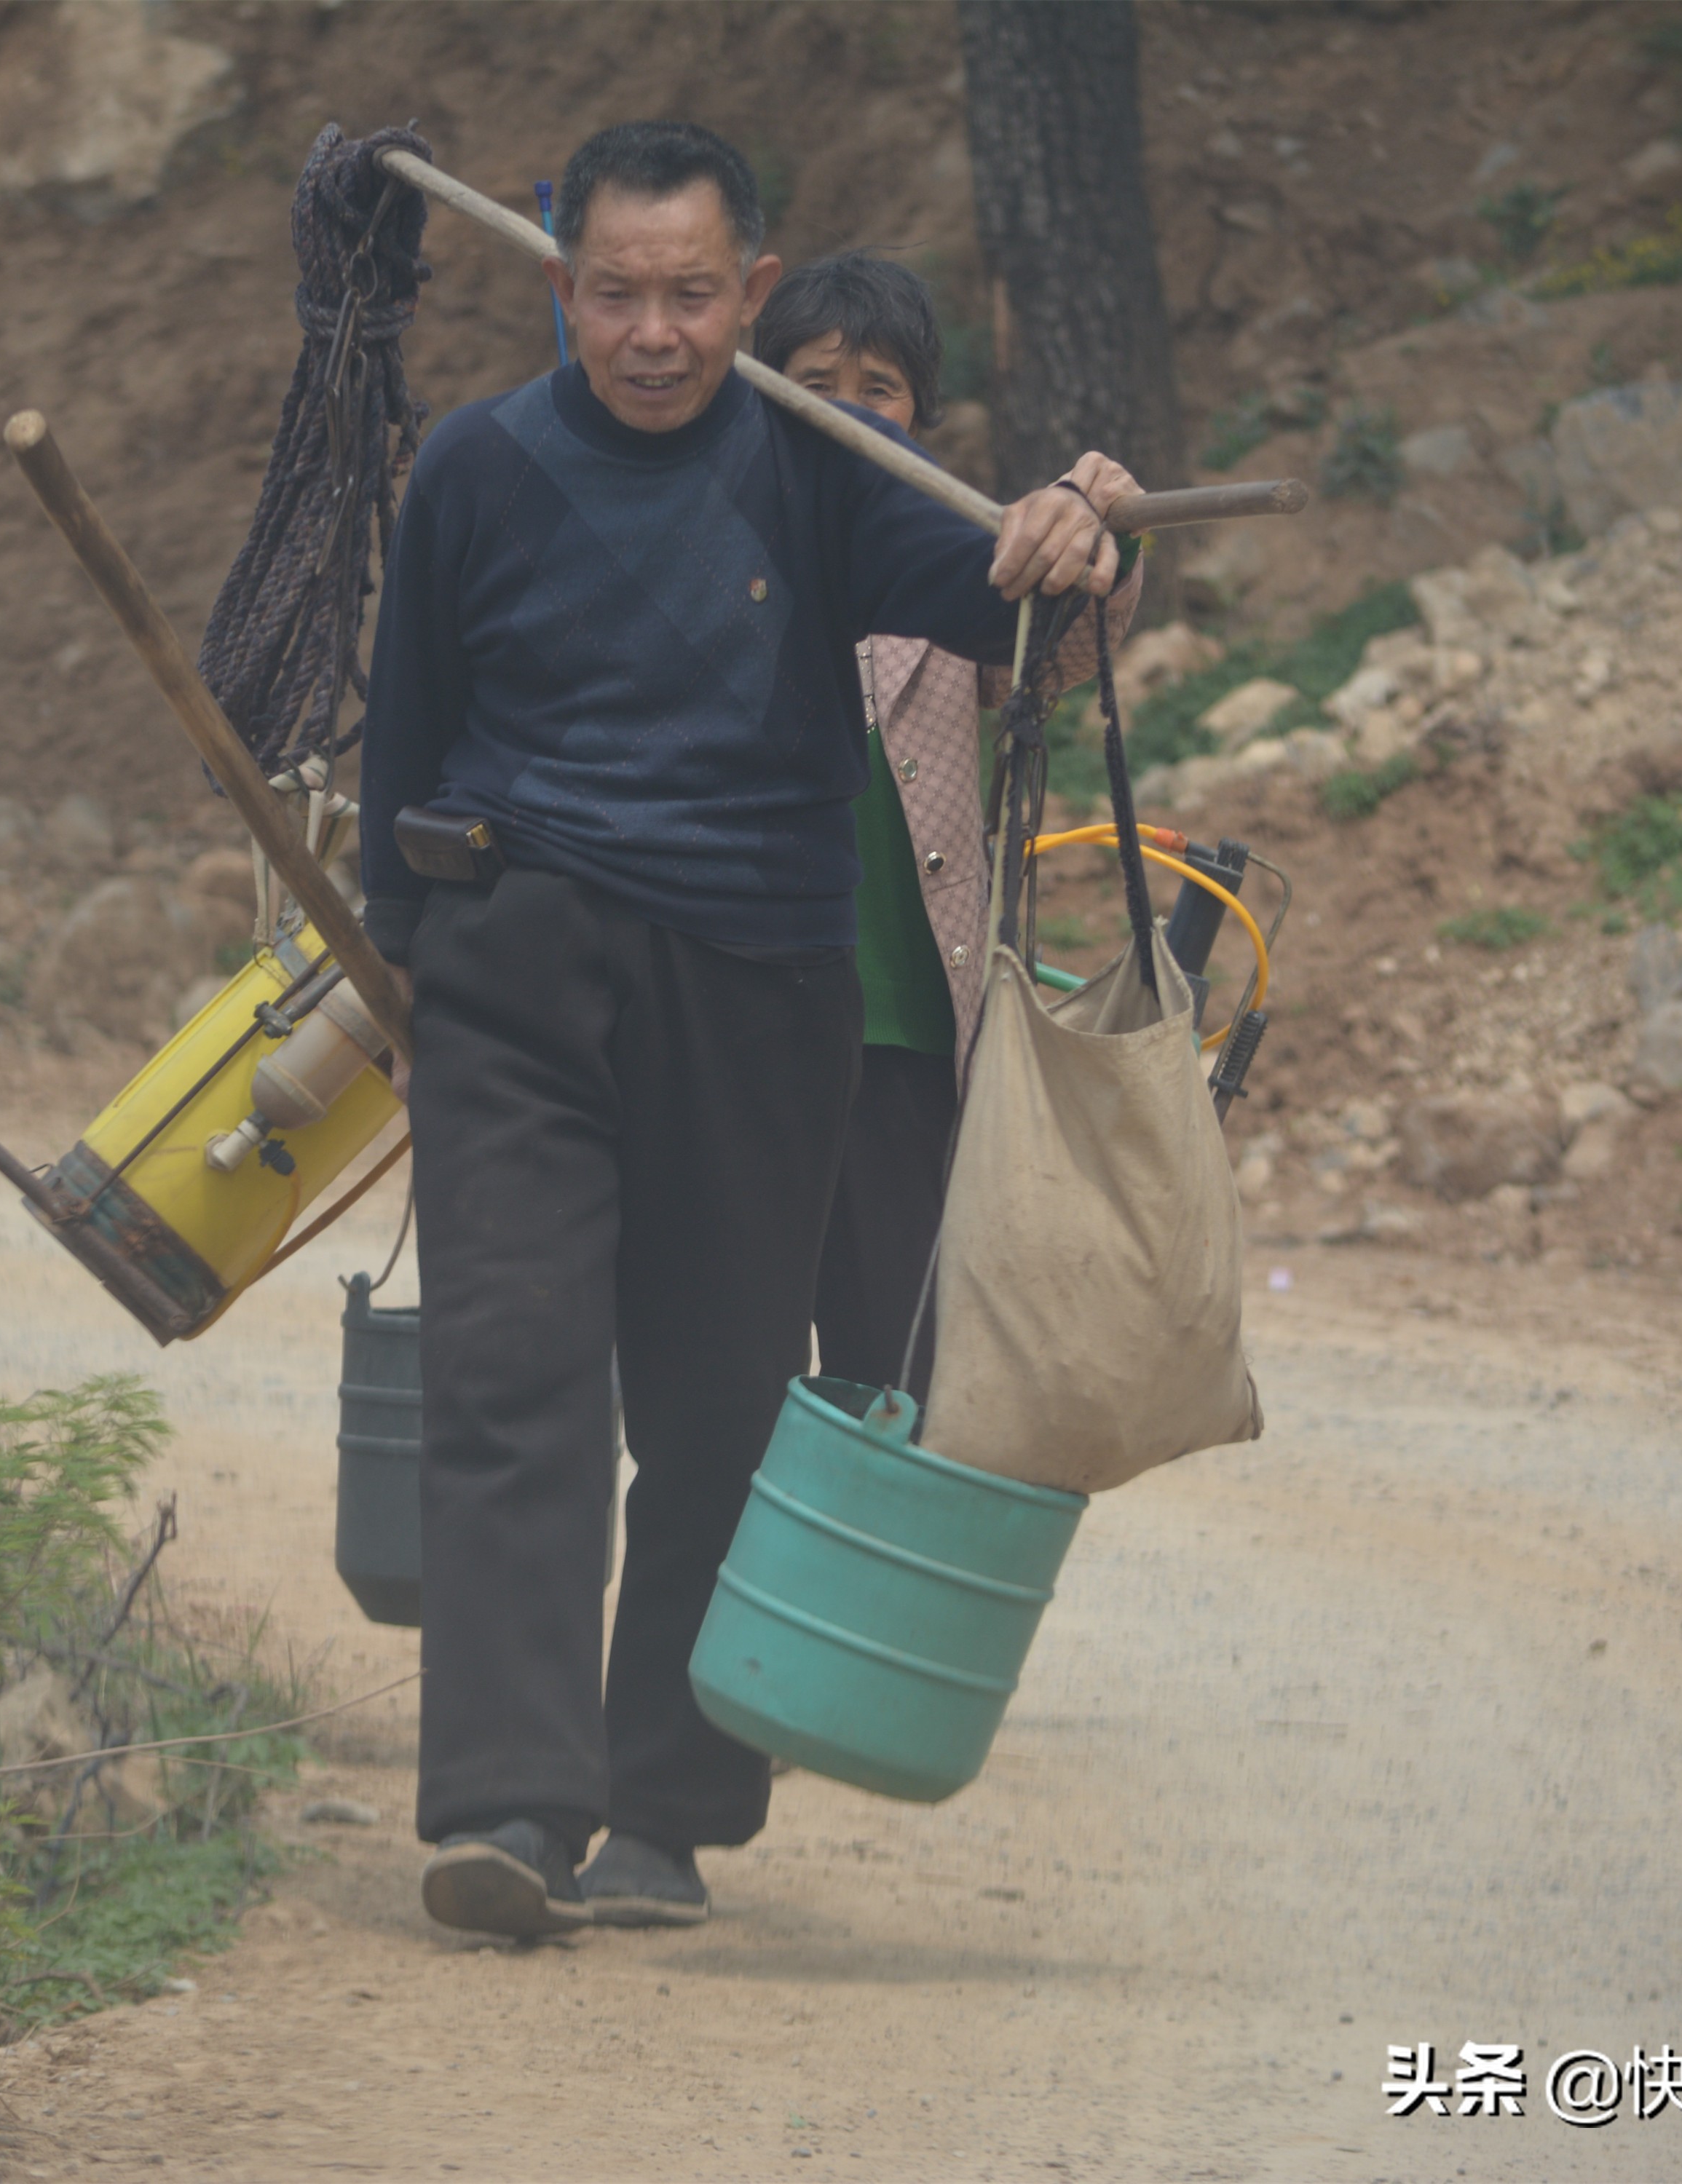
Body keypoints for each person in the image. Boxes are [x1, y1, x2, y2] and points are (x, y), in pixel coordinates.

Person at [357, 120, 1140, 1939]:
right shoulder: (474, 472)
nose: (651, 333)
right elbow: (407, 742)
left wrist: (1076, 543)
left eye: (690, 296)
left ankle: (664, 1813)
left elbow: (1019, 622)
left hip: (758, 988)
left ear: (753, 294)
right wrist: (414, 978)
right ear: (561, 290)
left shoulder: (824, 468)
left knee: (716, 1408)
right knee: (509, 1378)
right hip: (519, 965)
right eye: (614, 294)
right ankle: (504, 1812)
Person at [752, 253, 1142, 1401]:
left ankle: (875, 1569)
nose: (846, 408)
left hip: (902, 1032)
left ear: (919, 415)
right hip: (742, 1019)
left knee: (896, 1370)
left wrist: (1091, 535)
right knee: (736, 1363)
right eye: (813, 379)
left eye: (878, 388)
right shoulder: (713, 542)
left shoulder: (948, 554)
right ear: (756, 385)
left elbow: (1061, 654)